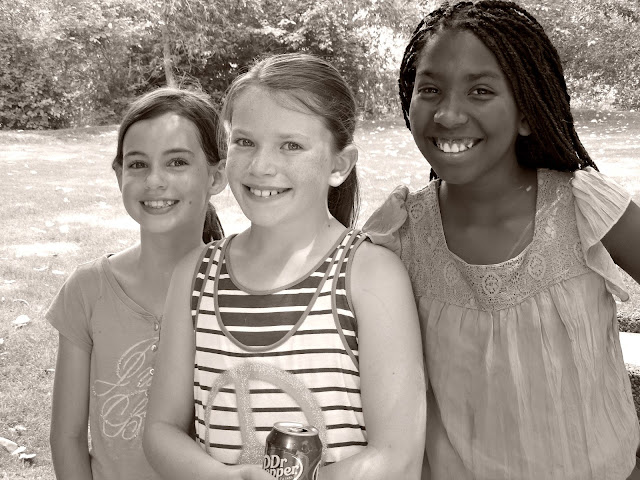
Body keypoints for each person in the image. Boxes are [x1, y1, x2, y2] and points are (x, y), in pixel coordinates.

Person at [362, 1, 640, 479]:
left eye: (481, 91)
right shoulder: (397, 234)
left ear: (527, 113)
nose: (448, 113)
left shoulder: (583, 206)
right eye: (430, 89)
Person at [143, 53, 426, 480]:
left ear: (339, 165)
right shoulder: (195, 275)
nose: (261, 166)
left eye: (291, 145)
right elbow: (161, 431)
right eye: (244, 142)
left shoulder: (370, 275)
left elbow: (397, 457)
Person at [46, 87, 228, 480]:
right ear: (119, 175)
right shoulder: (87, 290)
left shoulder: (239, 287)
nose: (154, 180)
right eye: (138, 164)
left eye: (177, 162)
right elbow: (67, 436)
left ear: (216, 176)